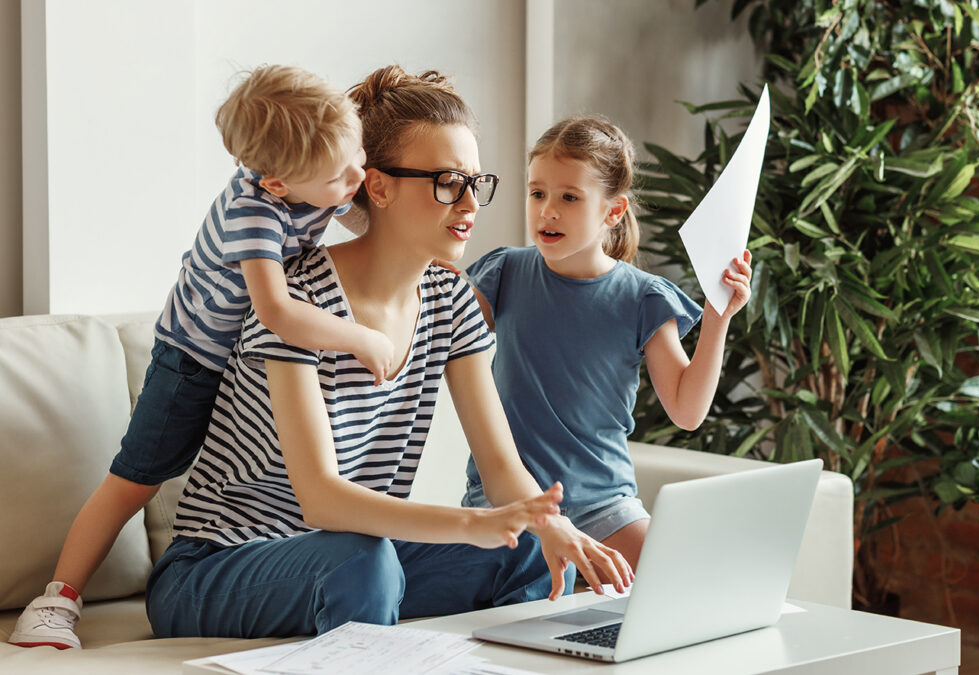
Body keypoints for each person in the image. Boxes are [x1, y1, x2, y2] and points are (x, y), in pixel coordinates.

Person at [143, 66, 632, 640]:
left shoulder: (451, 299)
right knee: (363, 560)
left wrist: (552, 525)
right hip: (217, 567)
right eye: (449, 181)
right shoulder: (297, 297)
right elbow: (321, 500)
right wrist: (472, 522)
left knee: (525, 548)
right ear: (377, 187)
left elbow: (501, 468)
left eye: (477, 181)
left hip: (351, 558)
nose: (470, 202)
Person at [9, 64, 391, 649]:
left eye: (359, 156)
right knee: (134, 480)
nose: (358, 177)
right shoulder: (251, 214)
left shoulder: (318, 177)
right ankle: (55, 601)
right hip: (192, 361)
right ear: (277, 185)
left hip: (239, 362)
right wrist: (362, 336)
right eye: (342, 176)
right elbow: (278, 312)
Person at [460, 114, 753, 572]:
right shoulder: (503, 274)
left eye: (569, 198)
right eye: (537, 193)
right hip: (508, 506)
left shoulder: (644, 298)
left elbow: (687, 411)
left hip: (604, 508)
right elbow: (433, 340)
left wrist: (718, 317)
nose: (546, 211)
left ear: (612, 211)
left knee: (681, 581)